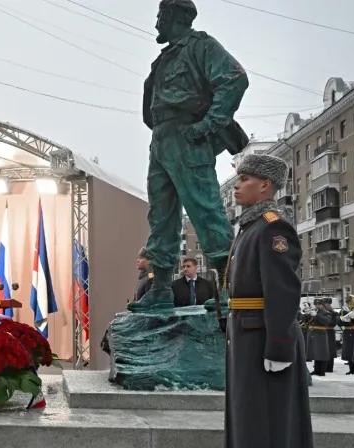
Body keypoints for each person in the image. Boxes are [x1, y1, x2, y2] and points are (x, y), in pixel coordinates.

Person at [129, 0, 249, 311]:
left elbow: (235, 78)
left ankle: (227, 287)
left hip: (187, 137)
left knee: (205, 209)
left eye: (160, 16)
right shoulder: (164, 59)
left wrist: (209, 124)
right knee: (161, 216)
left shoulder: (201, 46)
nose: (156, 24)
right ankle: (161, 288)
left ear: (172, 15)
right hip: (162, 139)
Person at [224, 153, 312, 447]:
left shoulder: (273, 226)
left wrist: (280, 347)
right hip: (247, 335)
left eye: (244, 179)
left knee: (268, 422)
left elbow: (283, 291)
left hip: (262, 338)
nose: (237, 186)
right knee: (247, 417)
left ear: (265, 185)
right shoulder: (251, 227)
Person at [303, 298, 332, 376]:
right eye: (316, 304)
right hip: (313, 334)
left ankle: (322, 371)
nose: (317, 306)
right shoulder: (314, 311)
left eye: (318, 304)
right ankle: (316, 369)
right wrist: (306, 314)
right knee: (315, 353)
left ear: (322, 305)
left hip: (321, 334)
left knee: (321, 353)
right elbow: (306, 321)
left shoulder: (325, 312)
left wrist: (316, 315)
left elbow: (326, 321)